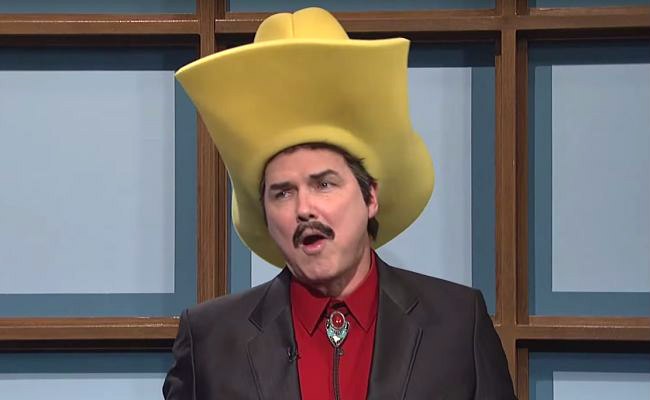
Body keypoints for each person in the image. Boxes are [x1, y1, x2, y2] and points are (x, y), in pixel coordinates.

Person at [164, 7, 516, 400]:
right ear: (264, 215)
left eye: (324, 184)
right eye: (283, 192)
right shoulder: (210, 339)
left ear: (371, 197)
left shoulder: (457, 324)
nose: (304, 209)